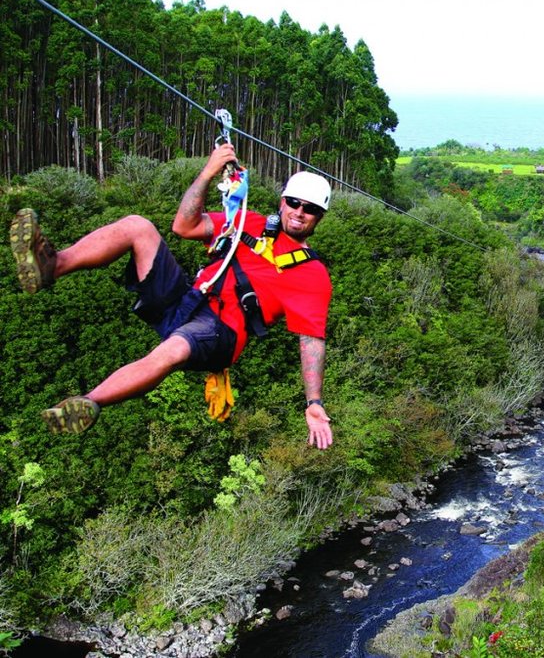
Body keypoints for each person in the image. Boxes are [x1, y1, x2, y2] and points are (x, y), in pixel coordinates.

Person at [9, 143, 334, 449]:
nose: (299, 212)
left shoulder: (312, 274)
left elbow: (311, 341)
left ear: (319, 217)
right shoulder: (249, 222)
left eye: (310, 209)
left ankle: (89, 403)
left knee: (173, 349)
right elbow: (184, 226)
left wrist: (314, 403)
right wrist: (207, 173)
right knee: (137, 227)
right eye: (294, 202)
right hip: (189, 300)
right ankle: (52, 265)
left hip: (223, 332)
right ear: (282, 200)